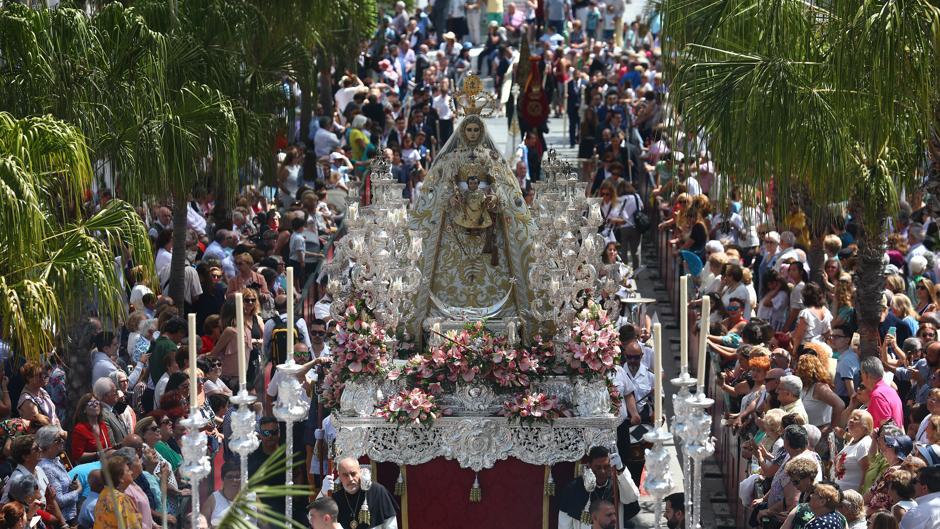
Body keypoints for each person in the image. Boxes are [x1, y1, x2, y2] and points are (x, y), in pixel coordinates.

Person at [558, 446, 640, 529]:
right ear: (589, 466)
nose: (602, 471)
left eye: (606, 467)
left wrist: (620, 468)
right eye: (598, 467)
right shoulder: (574, 487)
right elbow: (564, 523)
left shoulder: (617, 483)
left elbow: (632, 497)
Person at [324, 457, 398, 529]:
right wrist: (323, 491)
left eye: (353, 474)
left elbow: (390, 524)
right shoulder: (335, 495)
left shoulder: (377, 491)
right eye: (345, 475)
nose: (350, 479)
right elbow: (317, 517)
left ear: (359, 472)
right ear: (339, 475)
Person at [36, 425, 81, 524]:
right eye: (58, 439)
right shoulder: (46, 467)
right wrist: (78, 490)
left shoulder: (54, 460)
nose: (62, 441)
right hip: (65, 520)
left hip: (71, 515)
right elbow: (59, 501)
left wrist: (72, 486)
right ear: (47, 444)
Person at [93, 455, 141, 529]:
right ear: (120, 478)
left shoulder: (103, 494)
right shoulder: (121, 499)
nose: (131, 472)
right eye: (128, 470)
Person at [833, 410, 873, 492]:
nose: (851, 420)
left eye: (855, 419)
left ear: (865, 428)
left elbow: (867, 473)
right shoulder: (852, 441)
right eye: (851, 418)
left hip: (851, 497)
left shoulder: (864, 444)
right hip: (839, 492)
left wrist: (860, 494)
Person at [861, 357, 903, 428]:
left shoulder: (878, 395)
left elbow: (888, 428)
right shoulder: (891, 391)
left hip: (885, 438)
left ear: (866, 375)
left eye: (861, 373)